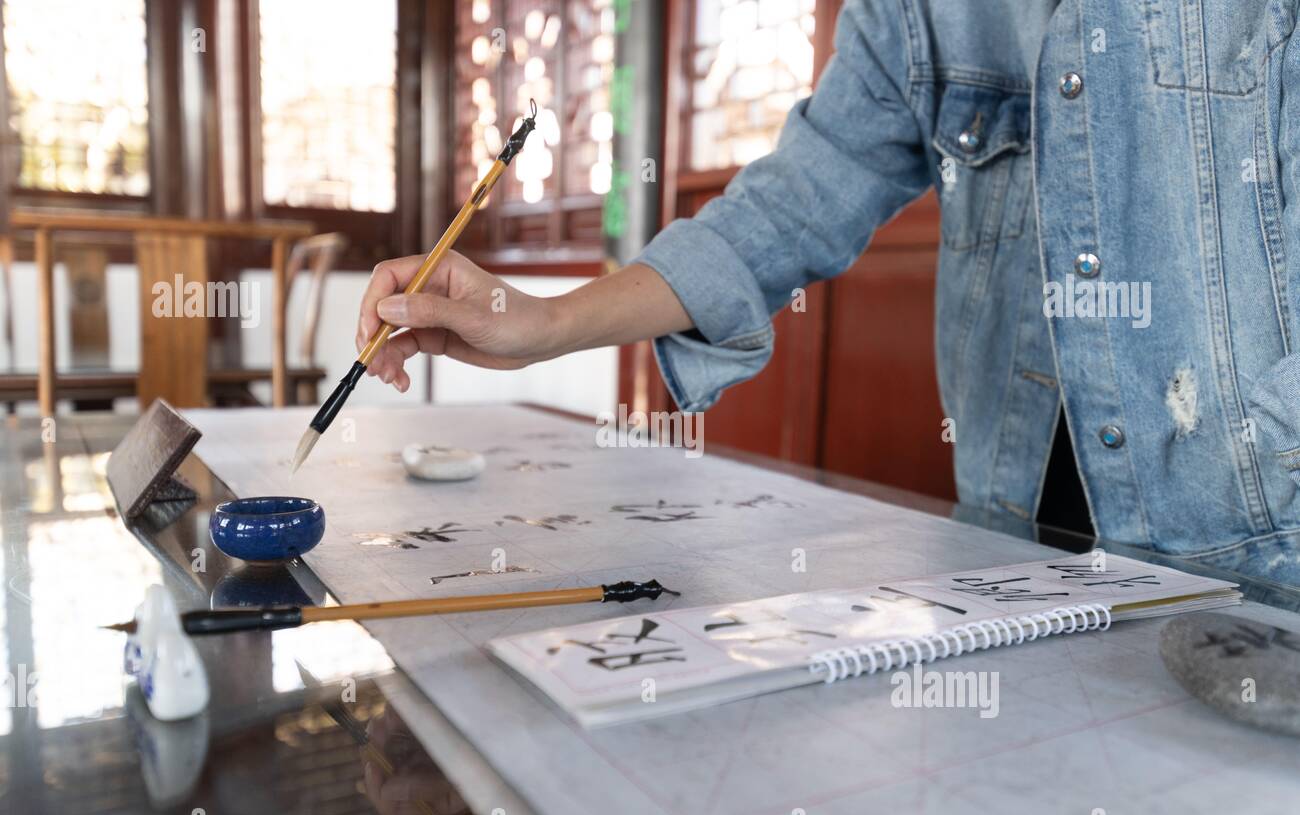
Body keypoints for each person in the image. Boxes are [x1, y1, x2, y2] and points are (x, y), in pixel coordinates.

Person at [355, 0, 1300, 585]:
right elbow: (796, 202)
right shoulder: (923, 12)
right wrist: (541, 322)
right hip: (1013, 545)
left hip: (1259, 551)